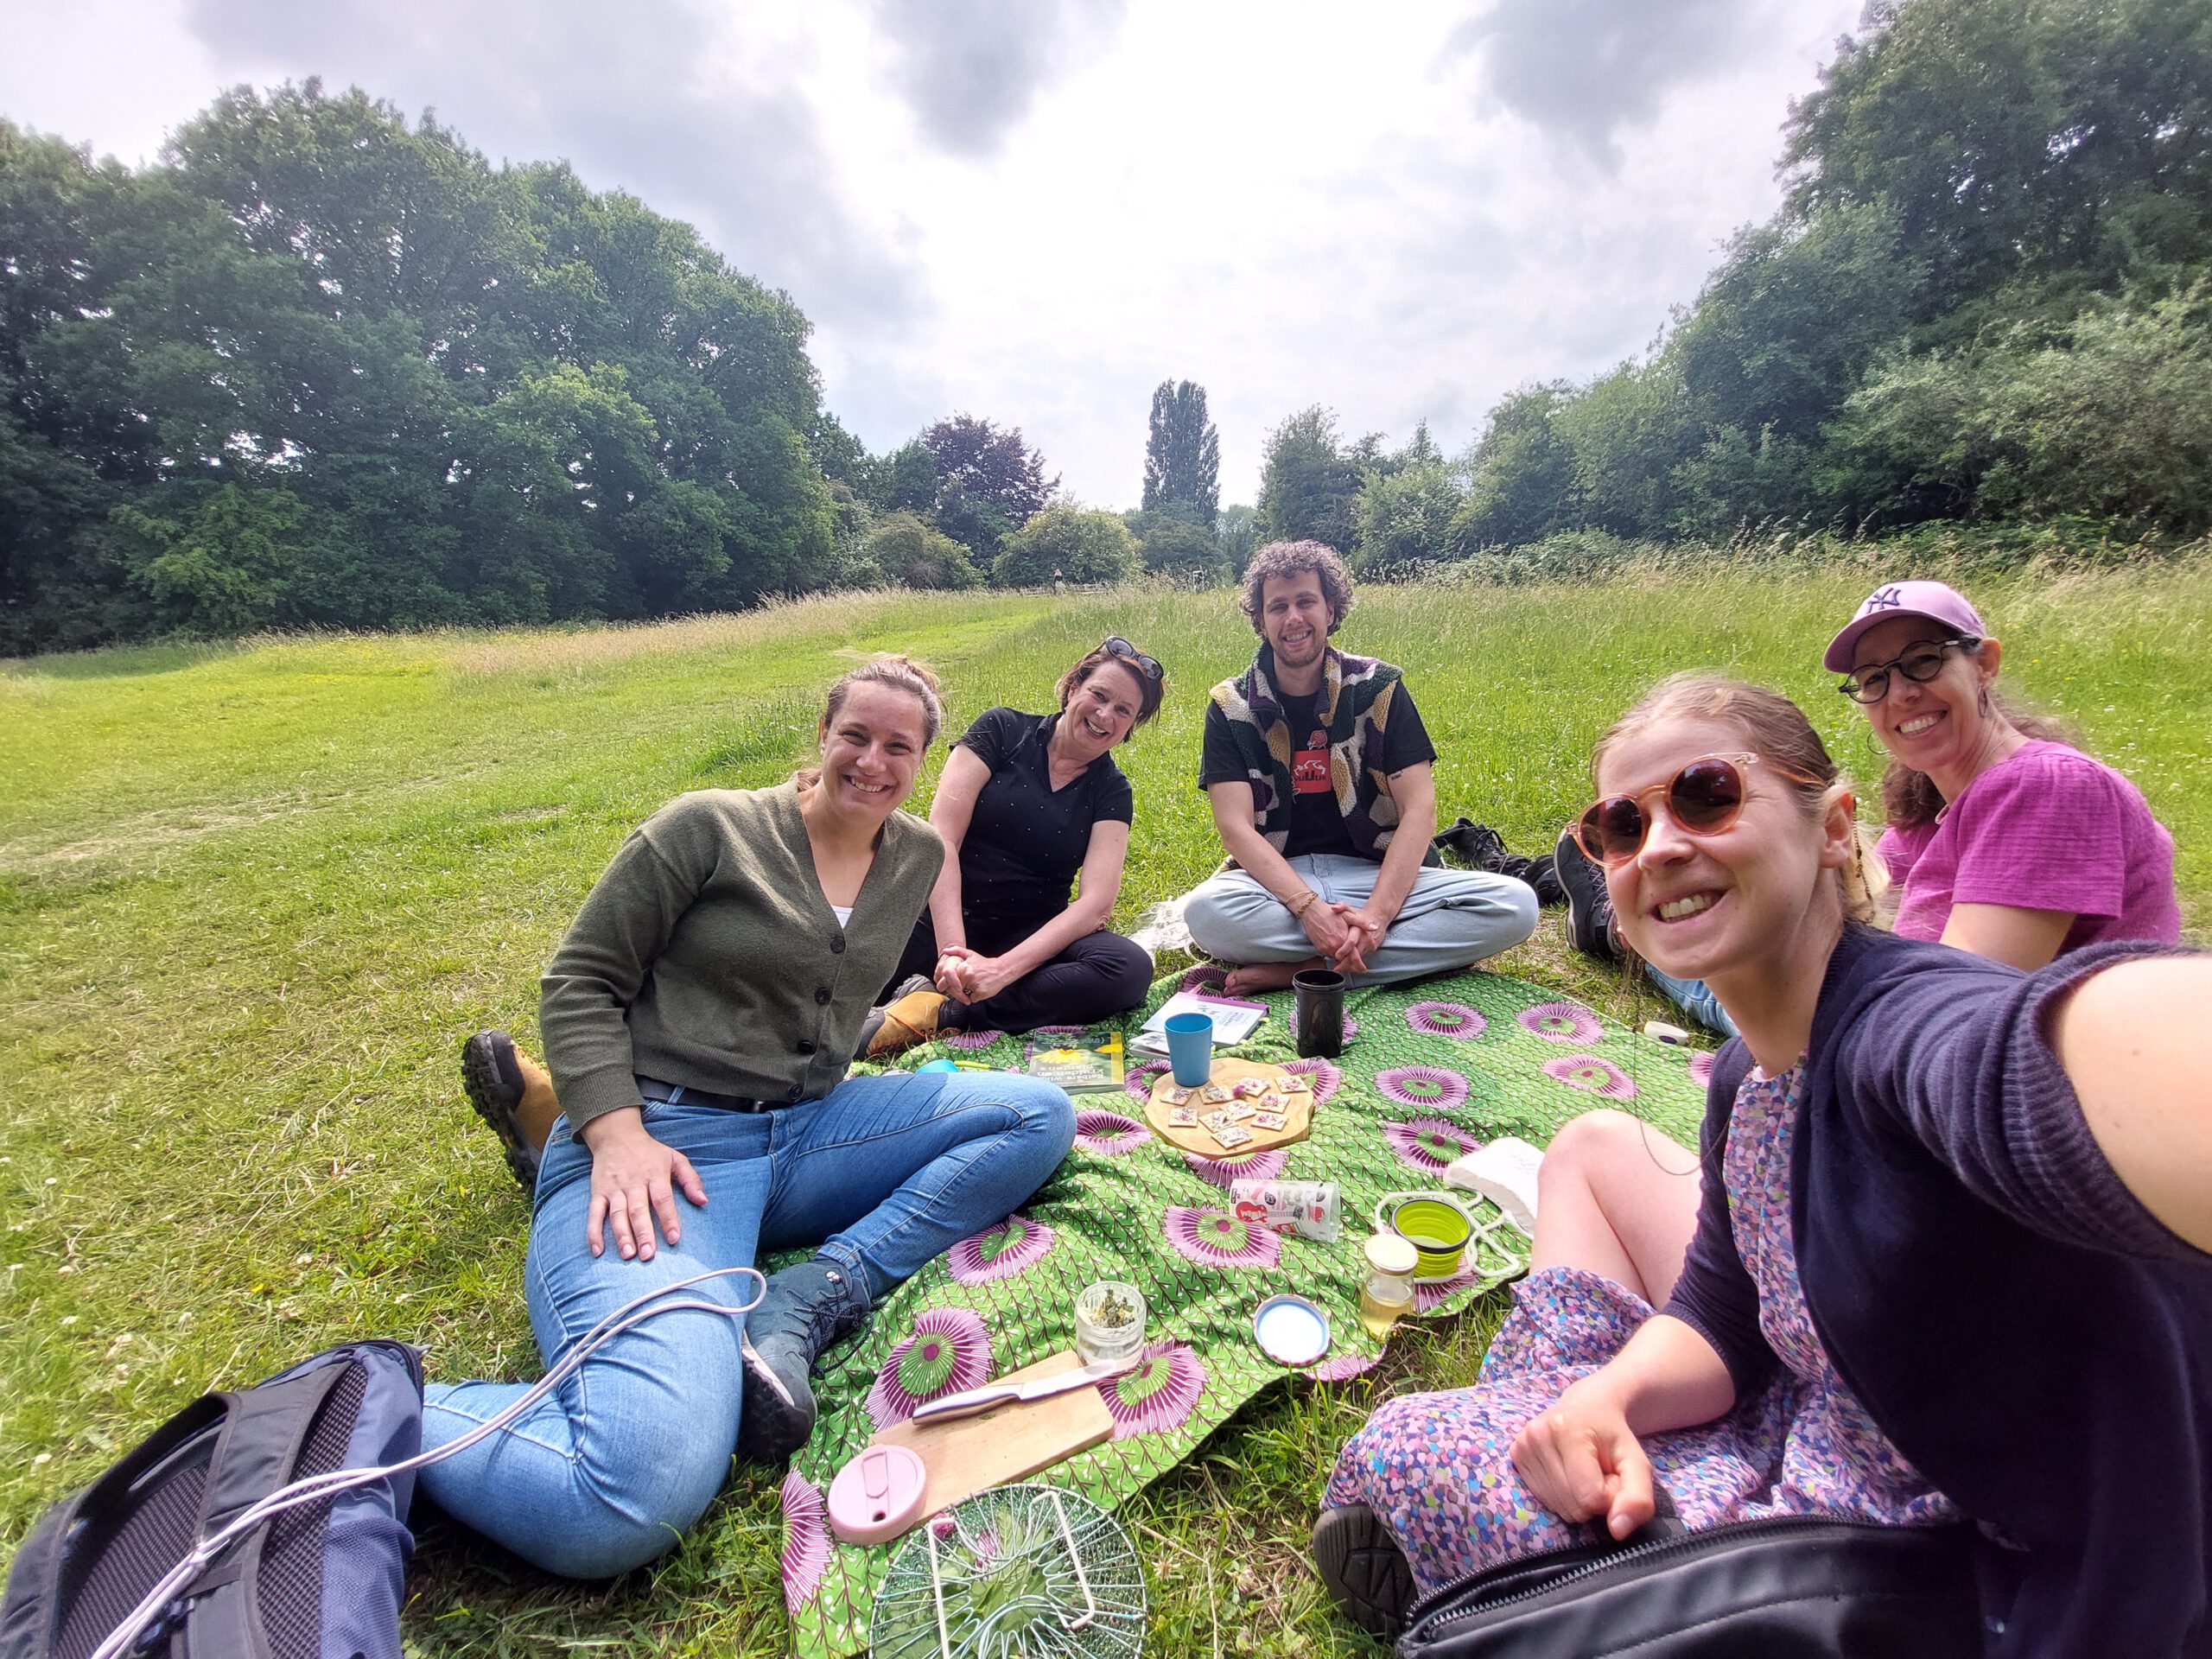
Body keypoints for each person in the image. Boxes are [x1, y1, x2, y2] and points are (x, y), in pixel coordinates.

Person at [1315, 674, 2212, 1656]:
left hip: (1949, 1569)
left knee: (1414, 1457)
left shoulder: (1908, 1035)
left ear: (1834, 830)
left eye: (1708, 795)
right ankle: (1552, 1451)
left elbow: (2038, 1062)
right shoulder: (1750, 1072)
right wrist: (1606, 1399)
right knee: (1467, 1380)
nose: (1659, 846)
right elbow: (1720, 1309)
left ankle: (1523, 1562)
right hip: (1819, 1405)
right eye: (1621, 826)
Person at [423, 657, 1076, 1580]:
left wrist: (918, 1008)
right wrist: (614, 1133)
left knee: (1037, 1113)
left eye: (899, 746)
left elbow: (823, 995)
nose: (873, 761)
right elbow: (580, 983)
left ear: (923, 760)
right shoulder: (707, 828)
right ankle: (369, 1406)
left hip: (808, 1130)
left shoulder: (916, 856)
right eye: (856, 736)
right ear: (823, 734)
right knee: (625, 1501)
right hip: (668, 1150)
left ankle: (815, 1291)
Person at [1554, 578, 2181, 1033]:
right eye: (1875, 679)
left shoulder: (2045, 786)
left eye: (1923, 662)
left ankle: (1617, 934)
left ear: (1984, 664)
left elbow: (1959, 1012)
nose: (1900, 694)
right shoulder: (1929, 813)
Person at [1185, 540, 1537, 993]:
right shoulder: (1231, 706)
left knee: (1516, 905)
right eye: (1278, 606)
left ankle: (1307, 970)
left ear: (1330, 609)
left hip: (1375, 871)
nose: (1293, 618)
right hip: (1279, 883)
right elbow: (1236, 829)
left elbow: (1419, 811)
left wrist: (1376, 917)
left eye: (1306, 601)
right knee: (1206, 913)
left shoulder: (1379, 688)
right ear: (1261, 620)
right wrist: (1309, 909)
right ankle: (1377, 957)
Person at [863, 636, 1164, 1057]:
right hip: (941, 917)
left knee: (1127, 969)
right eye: (1099, 695)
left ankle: (943, 1013)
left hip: (1029, 936)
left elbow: (1096, 904)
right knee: (840, 957)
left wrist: (1001, 971)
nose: (1104, 715)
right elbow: (942, 838)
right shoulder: (1002, 730)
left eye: (1123, 711)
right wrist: (953, 954)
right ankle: (938, 989)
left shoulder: (1112, 791)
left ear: (1131, 727)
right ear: (1073, 687)